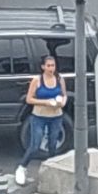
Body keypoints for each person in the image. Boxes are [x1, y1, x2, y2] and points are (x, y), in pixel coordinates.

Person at [14, 54, 68, 186]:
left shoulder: (59, 78)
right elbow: (29, 99)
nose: (51, 68)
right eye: (48, 66)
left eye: (53, 65)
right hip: (39, 116)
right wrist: (46, 102)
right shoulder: (37, 80)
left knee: (52, 145)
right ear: (43, 67)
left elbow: (64, 95)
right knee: (35, 145)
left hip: (56, 116)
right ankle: (22, 168)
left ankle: (51, 171)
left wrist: (62, 102)